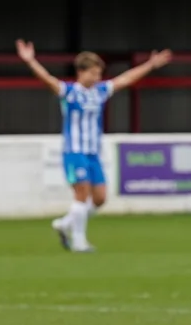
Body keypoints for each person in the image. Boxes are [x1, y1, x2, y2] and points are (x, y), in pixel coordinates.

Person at [16, 39, 172, 252]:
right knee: (81, 194)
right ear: (81, 72)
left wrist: (150, 65)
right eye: (94, 73)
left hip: (93, 152)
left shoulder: (100, 91)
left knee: (100, 199)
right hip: (74, 151)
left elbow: (125, 79)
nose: (98, 78)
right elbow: (47, 79)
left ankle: (65, 223)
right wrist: (30, 61)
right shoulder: (69, 92)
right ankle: (79, 241)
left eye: (99, 74)